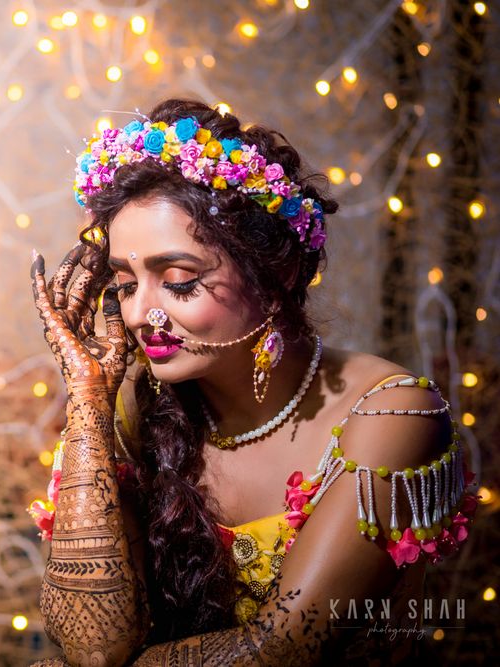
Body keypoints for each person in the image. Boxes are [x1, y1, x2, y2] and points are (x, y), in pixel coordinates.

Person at [25, 98, 478, 666]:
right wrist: (88, 399)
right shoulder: (135, 403)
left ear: (278, 272)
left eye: (180, 281)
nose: (141, 313)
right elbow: (93, 647)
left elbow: (280, 649)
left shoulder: (392, 416)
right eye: (123, 283)